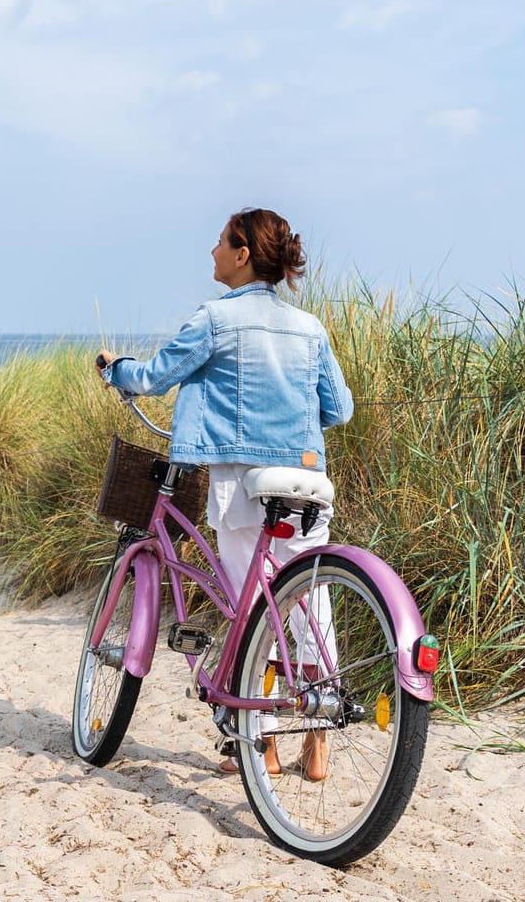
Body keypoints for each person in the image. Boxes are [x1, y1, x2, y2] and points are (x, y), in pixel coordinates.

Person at [96, 207, 352, 781]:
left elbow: (156, 376)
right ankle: (317, 738)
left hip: (243, 483)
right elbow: (340, 407)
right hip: (307, 481)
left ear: (242, 256)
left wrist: (116, 370)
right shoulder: (310, 329)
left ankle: (256, 742)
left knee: (251, 605)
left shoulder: (215, 319)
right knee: (309, 599)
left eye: (219, 243)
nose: (211, 252)